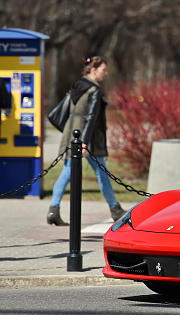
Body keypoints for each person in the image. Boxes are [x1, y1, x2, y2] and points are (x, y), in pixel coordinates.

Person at [47, 56, 126, 225]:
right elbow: (91, 117)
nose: (106, 73)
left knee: (67, 172)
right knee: (101, 173)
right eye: (103, 70)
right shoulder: (94, 90)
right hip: (89, 139)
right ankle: (116, 209)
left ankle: (53, 209)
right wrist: (85, 142)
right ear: (93, 69)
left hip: (72, 134)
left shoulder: (77, 86)